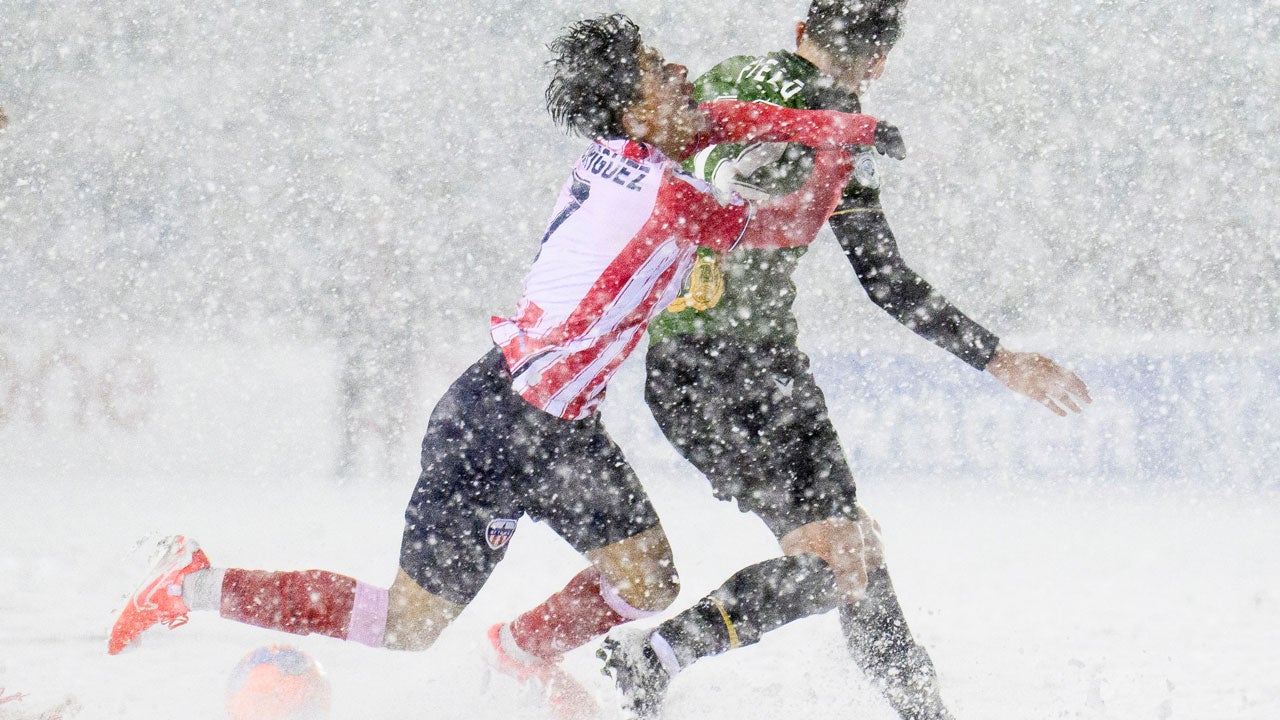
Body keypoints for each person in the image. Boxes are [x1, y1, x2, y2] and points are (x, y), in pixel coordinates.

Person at [107, 13, 904, 719]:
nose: (681, 75)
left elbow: (723, 119)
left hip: (558, 427)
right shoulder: (666, 191)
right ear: (635, 109)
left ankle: (516, 653)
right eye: (661, 71)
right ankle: (189, 585)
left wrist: (838, 131)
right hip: (497, 426)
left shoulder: (623, 148)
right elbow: (795, 224)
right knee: (406, 625)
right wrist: (838, 149)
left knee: (649, 582)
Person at [597, 2, 1092, 719]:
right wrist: (998, 359)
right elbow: (883, 279)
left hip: (723, 369)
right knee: (838, 560)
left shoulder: (767, 103)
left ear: (803, 32)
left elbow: (666, 154)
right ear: (881, 60)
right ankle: (661, 655)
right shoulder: (810, 115)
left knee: (855, 553)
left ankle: (922, 710)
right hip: (723, 372)